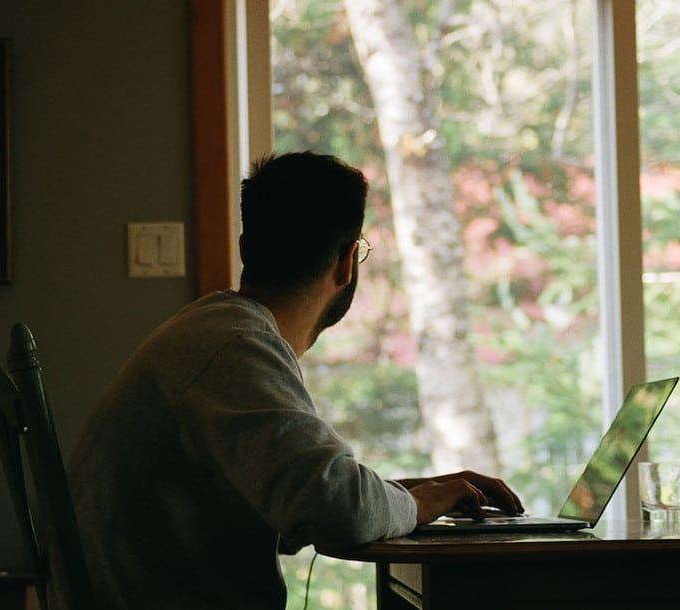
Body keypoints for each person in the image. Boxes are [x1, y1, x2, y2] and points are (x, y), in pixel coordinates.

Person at [50, 151, 524, 610]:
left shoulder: (212, 332)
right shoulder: (234, 346)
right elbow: (340, 509)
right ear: (346, 264)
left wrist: (408, 495)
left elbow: (310, 492)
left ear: (244, 249)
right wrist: (416, 506)